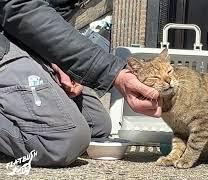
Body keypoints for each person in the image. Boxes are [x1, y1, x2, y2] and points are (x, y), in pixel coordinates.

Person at [0, 0, 161, 167]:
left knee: (97, 126)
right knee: (61, 141)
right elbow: (19, 8)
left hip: (19, 35)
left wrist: (58, 60)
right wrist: (115, 74)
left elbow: (47, 16)